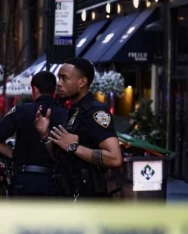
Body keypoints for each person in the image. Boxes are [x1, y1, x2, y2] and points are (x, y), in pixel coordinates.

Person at [34, 58, 122, 200]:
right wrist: (45, 135)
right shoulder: (74, 110)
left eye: (64, 78)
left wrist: (74, 146)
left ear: (82, 82)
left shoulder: (95, 112)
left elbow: (115, 158)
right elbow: (60, 156)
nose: (59, 84)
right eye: (59, 78)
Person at [0, 71, 68, 197]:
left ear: (34, 89)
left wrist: (13, 154)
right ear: (54, 90)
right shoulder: (65, 114)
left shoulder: (22, 110)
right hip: (55, 181)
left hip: (25, 181)